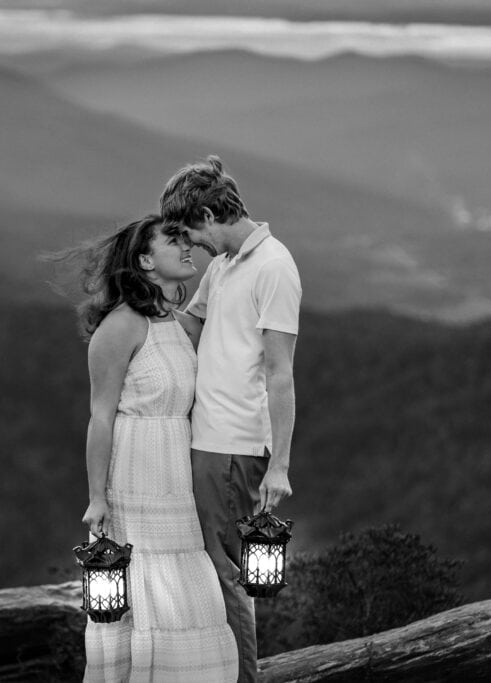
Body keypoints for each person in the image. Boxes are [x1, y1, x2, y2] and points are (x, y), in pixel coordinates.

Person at [56, 214, 238, 682]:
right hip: (134, 473)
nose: (186, 246)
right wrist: (97, 497)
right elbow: (101, 417)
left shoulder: (180, 325)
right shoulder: (120, 327)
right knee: (144, 589)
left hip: (177, 471)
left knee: (186, 592)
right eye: (172, 241)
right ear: (144, 261)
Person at [160, 156, 301, 683]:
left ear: (207, 214)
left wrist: (279, 465)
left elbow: (281, 374)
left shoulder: (274, 267)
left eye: (191, 233)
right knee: (211, 569)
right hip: (206, 437)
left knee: (226, 574)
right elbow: (195, 325)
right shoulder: (224, 265)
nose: (191, 245)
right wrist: (141, 305)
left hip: (234, 443)